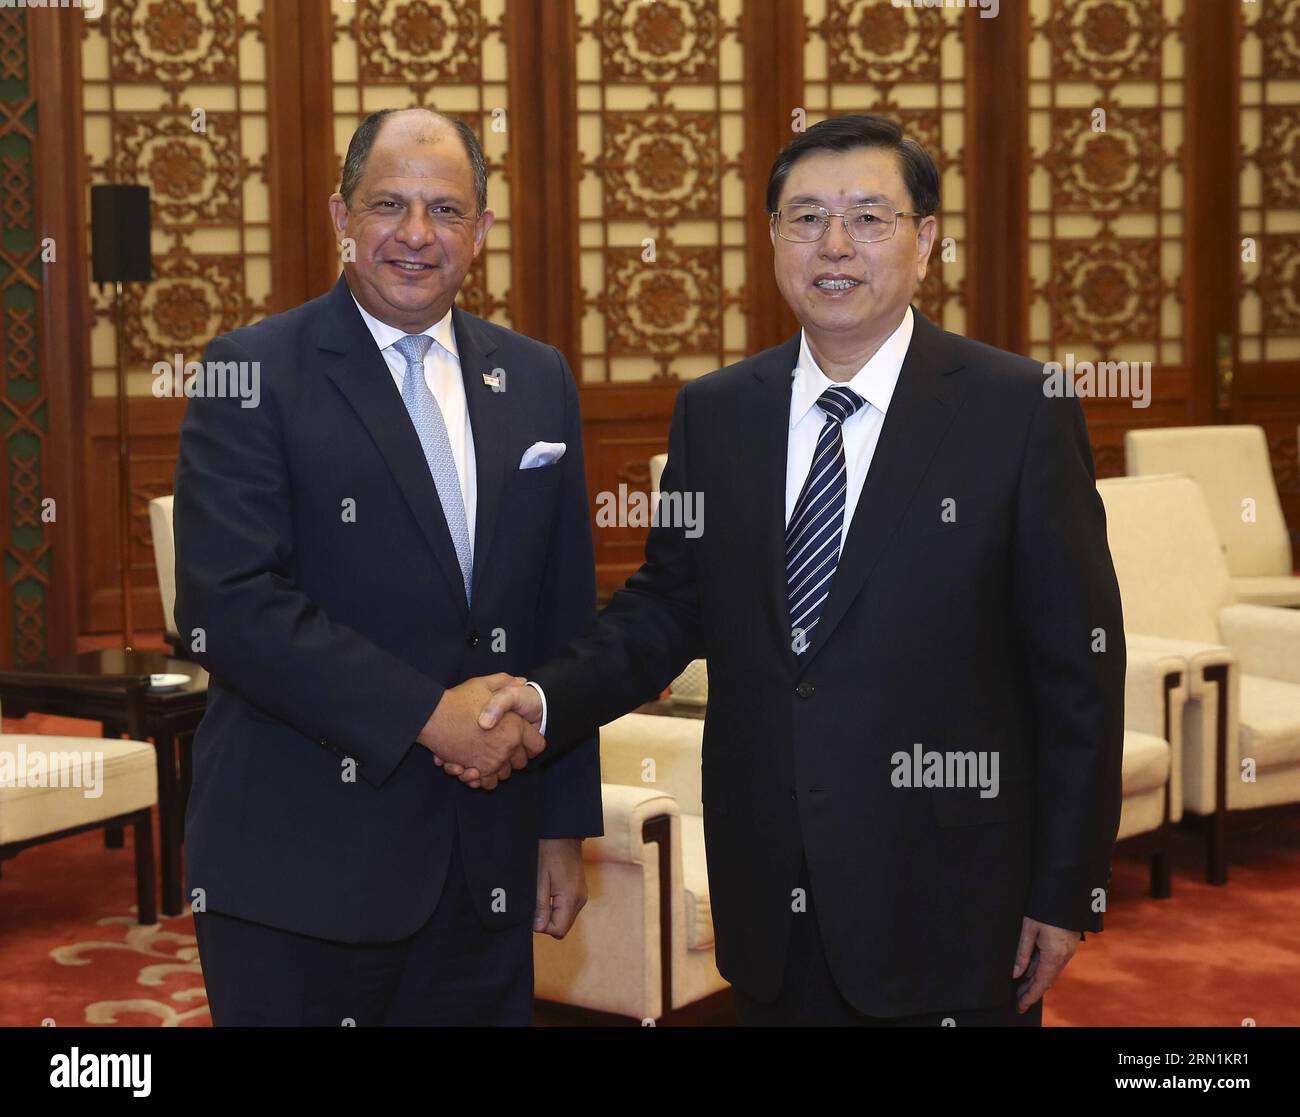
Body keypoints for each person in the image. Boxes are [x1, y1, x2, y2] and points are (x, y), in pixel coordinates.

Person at [472, 114, 1127, 1026]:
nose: (835, 245)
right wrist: (544, 700)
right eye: (806, 216)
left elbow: (1080, 675)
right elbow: (664, 607)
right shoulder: (718, 413)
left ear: (926, 240)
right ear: (774, 238)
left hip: (951, 897)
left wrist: (1068, 890)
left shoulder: (1018, 410)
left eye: (868, 217)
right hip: (771, 893)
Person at [174, 108, 600, 1026]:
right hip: (301, 866)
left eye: (445, 210)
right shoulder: (248, 371)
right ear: (340, 217)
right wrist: (428, 718)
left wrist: (562, 824)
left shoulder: (535, 379)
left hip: (484, 861)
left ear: (481, 231)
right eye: (388, 205)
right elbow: (230, 603)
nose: (416, 234)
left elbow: (563, 616)